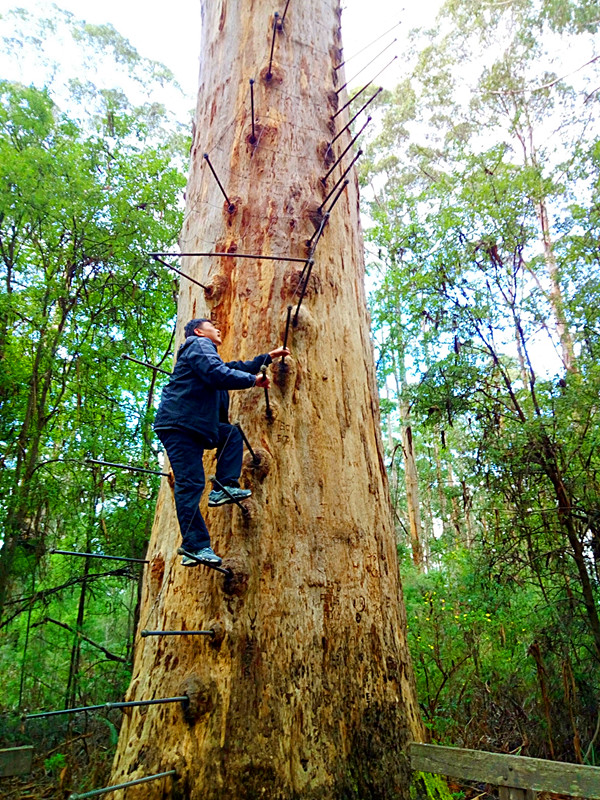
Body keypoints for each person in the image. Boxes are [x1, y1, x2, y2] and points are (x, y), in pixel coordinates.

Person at [154, 318, 290, 567]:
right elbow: (218, 374)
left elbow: (231, 367)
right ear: (198, 331)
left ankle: (223, 488)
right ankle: (195, 546)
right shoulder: (198, 344)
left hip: (195, 424)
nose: (217, 329)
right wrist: (253, 381)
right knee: (190, 483)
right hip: (181, 425)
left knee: (229, 433)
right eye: (211, 326)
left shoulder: (203, 354)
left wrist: (266, 358)